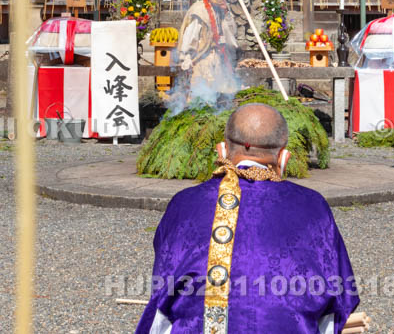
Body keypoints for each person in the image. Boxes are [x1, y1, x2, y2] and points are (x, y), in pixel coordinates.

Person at [135, 102, 359, 333]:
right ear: (283, 157)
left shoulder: (185, 203)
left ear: (222, 151)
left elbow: (163, 286)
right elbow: (340, 293)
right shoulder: (313, 206)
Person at [178, 0, 240, 103]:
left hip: (218, 57)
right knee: (200, 94)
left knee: (218, 93)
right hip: (202, 58)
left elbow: (231, 33)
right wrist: (186, 56)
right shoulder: (199, 10)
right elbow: (191, 36)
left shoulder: (220, 9)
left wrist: (227, 13)